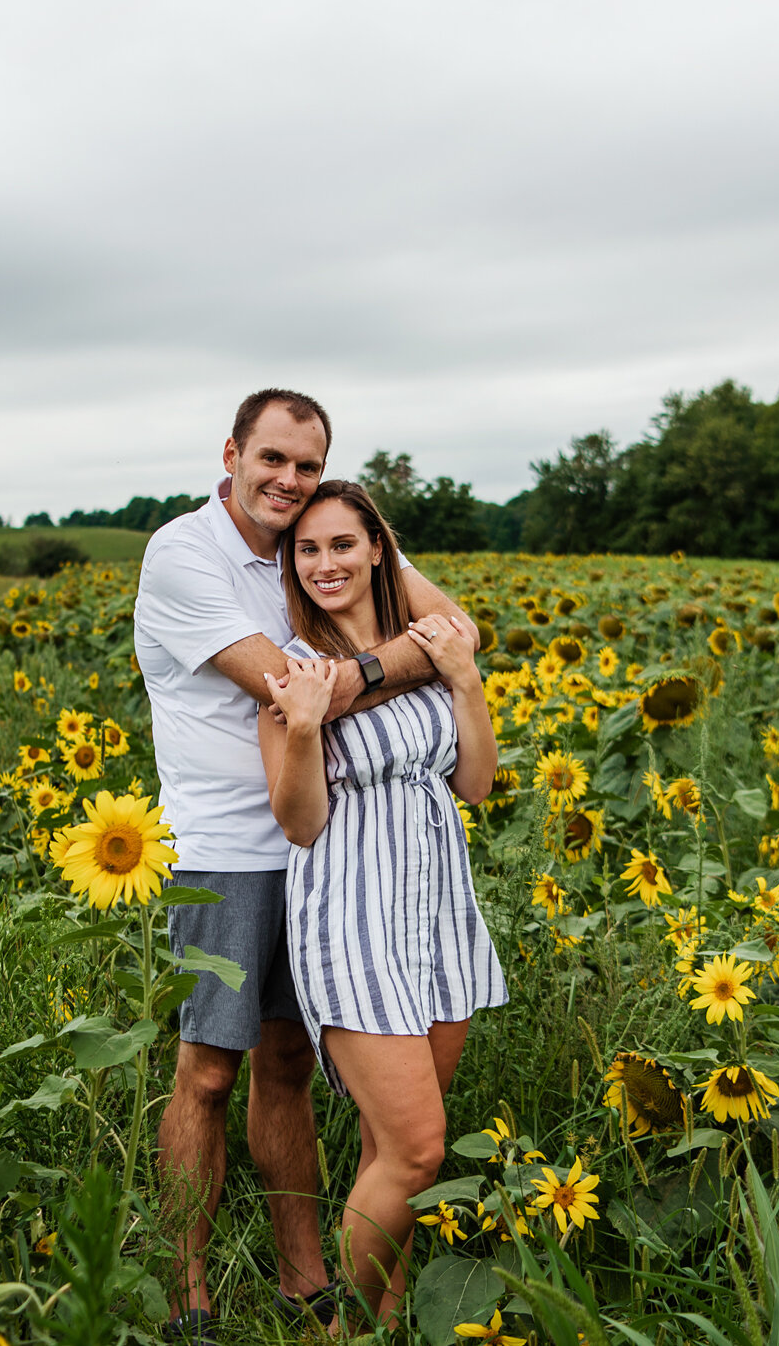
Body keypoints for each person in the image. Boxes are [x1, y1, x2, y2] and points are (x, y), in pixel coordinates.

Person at [132, 390, 474, 1341]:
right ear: (232, 452)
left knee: (286, 1063)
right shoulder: (185, 552)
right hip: (226, 850)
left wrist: (357, 674)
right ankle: (186, 1292)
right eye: (273, 459)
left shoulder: (320, 539)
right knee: (207, 1069)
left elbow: (460, 632)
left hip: (332, 856)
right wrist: (392, 662)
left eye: (308, 465)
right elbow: (286, 689)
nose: (289, 481)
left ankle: (305, 1278)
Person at [259, 481, 507, 1331]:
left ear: (377, 550)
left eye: (340, 545)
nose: (324, 563)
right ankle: (349, 1327)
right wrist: (299, 727)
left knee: (388, 1148)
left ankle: (388, 1318)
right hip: (352, 918)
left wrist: (465, 679)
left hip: (438, 912)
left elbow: (475, 783)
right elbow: (299, 823)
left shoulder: (429, 649)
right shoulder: (293, 669)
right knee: (418, 1147)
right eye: (307, 550)